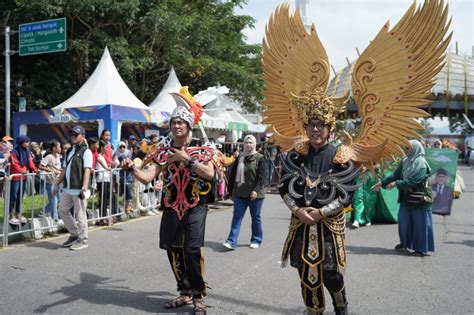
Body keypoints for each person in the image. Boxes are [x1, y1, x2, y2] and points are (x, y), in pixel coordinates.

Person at [122, 88, 215, 314]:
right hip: (172, 206)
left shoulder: (203, 147)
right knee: (172, 249)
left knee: (192, 249)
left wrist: (188, 160)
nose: (176, 126)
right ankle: (184, 292)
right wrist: (133, 168)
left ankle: (198, 294)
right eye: (173, 122)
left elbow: (210, 174)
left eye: (181, 122)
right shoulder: (163, 150)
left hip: (195, 206)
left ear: (189, 125)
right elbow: (147, 177)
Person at [374, 139, 434, 256]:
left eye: (407, 148)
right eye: (405, 147)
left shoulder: (421, 163)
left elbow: (415, 181)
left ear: (415, 148)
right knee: (403, 221)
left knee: (420, 224)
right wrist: (382, 182)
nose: (405, 150)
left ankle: (420, 249)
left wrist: (397, 183)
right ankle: (405, 243)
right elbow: (395, 175)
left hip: (420, 199)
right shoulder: (405, 161)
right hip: (407, 198)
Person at [223, 135, 266, 250]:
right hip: (240, 194)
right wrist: (230, 191)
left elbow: (263, 178)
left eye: (251, 142)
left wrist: (256, 190)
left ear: (255, 144)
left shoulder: (260, 158)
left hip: (255, 196)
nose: (248, 145)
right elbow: (232, 175)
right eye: (246, 142)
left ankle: (256, 239)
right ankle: (231, 241)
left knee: (255, 217)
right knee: (237, 218)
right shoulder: (240, 157)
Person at [53, 126, 93, 250]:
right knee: (62, 210)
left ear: (83, 136)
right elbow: (64, 170)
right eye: (72, 134)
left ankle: (83, 239)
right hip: (67, 188)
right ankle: (75, 234)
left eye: (76, 134)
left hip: (79, 189)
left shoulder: (86, 151)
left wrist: (84, 186)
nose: (73, 137)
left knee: (80, 215)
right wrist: (56, 184)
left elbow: (87, 170)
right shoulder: (69, 151)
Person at [8, 135, 39, 225]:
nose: (28, 143)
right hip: (15, 177)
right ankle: (11, 215)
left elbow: (30, 162)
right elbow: (14, 163)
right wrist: (21, 171)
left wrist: (35, 170)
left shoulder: (27, 151)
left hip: (23, 177)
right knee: (13, 197)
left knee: (20, 196)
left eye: (28, 141)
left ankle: (18, 214)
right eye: (26, 142)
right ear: (21, 142)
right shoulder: (14, 151)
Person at [39, 140, 62, 221]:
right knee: (54, 200)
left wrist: (60, 171)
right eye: (59, 146)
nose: (60, 148)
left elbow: (58, 167)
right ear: (54, 148)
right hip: (50, 182)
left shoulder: (58, 156)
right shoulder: (49, 157)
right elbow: (41, 166)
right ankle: (55, 218)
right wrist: (51, 171)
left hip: (58, 181)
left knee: (59, 199)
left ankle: (44, 212)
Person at [95, 140, 112, 225]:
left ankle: (104, 217)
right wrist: (108, 167)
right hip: (101, 180)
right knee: (103, 199)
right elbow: (105, 167)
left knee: (106, 199)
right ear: (101, 147)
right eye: (106, 147)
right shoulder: (98, 156)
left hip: (106, 179)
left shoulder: (102, 156)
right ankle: (102, 218)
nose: (107, 149)